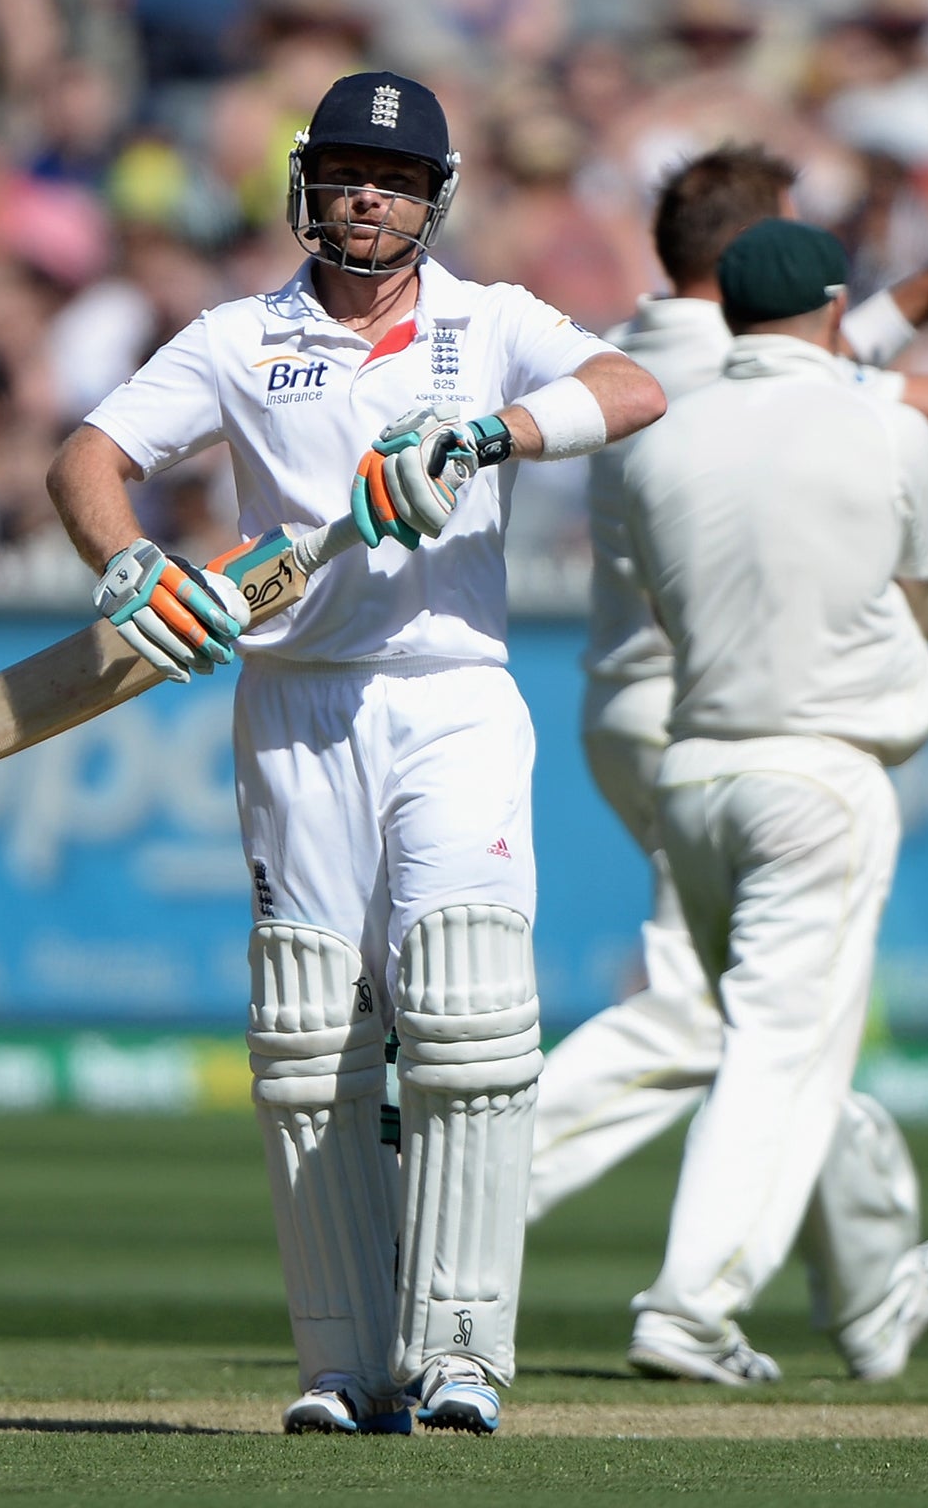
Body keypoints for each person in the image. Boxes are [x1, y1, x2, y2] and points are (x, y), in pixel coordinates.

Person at [43, 71, 665, 1434]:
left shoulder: (489, 324)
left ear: (434, 199)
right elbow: (88, 456)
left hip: (448, 692)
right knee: (312, 1033)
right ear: (305, 185)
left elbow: (633, 386)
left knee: (465, 1016)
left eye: (390, 176)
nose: (364, 194)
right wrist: (133, 567)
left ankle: (459, 1357)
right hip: (293, 702)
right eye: (342, 171)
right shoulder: (238, 337)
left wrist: (486, 430)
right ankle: (344, 1363)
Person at [529, 122, 928, 1382]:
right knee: (727, 1027)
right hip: (755, 726)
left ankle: (873, 1290)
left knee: (775, 1028)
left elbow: (825, 347)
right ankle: (496, 1224)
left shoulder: (658, 371)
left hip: (669, 728)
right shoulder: (744, 385)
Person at [613, 217, 928, 1383]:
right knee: (780, 1055)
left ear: (723, 312)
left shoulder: (659, 441)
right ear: (834, 307)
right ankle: (689, 1307)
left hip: (695, 774)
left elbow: (670, 614)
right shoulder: (884, 426)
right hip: (817, 776)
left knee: (778, 1057)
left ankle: (872, 1300)